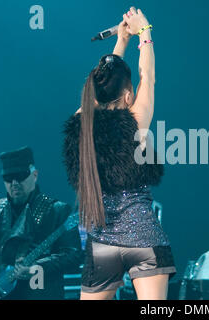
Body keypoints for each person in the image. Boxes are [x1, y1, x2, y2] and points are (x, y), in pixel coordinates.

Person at [62, 7, 176, 300]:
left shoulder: (81, 122)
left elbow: (102, 85)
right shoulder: (135, 120)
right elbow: (147, 77)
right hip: (144, 240)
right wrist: (144, 32)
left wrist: (120, 43)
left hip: (102, 246)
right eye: (131, 92)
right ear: (128, 96)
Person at [0, 146, 83, 300]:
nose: (14, 183)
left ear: (35, 175)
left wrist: (38, 267)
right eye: (8, 177)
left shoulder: (57, 210)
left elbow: (73, 254)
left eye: (20, 176)